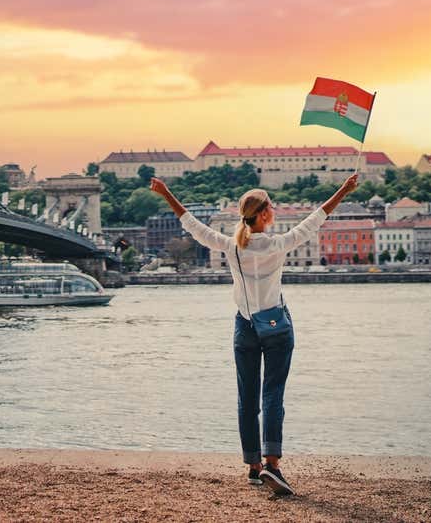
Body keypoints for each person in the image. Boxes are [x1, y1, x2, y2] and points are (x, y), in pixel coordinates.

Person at [150, 173, 359, 496]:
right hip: (276, 325)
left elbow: (192, 225)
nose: (273, 211)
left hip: (245, 327)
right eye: (271, 207)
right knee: (272, 394)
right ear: (264, 215)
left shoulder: (232, 247)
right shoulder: (279, 244)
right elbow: (317, 218)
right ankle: (273, 464)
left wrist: (166, 193)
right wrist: (343, 189)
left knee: (247, 399)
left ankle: (253, 467)